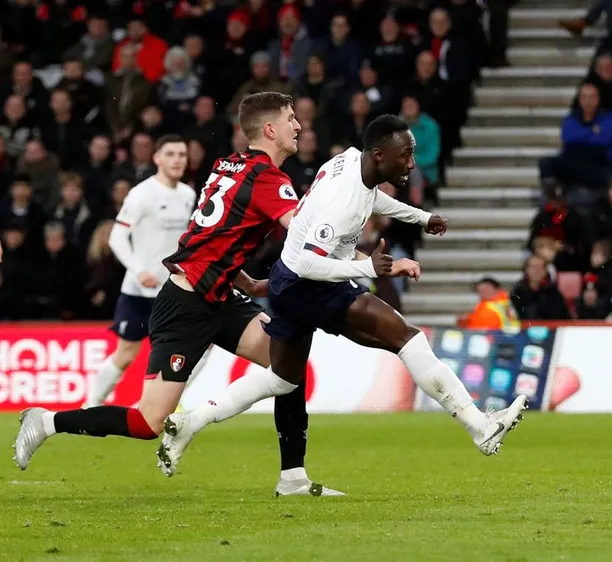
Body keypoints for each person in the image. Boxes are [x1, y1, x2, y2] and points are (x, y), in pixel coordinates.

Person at [156, 116, 529, 477]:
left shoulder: (352, 161)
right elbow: (308, 262)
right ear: (380, 155)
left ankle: (192, 422)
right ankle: (479, 426)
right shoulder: (342, 201)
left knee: (282, 380)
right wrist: (369, 269)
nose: (412, 164)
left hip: (290, 283)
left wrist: (420, 217)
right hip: (307, 283)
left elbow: (371, 200)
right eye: (406, 155)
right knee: (406, 337)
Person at [14, 92, 337, 497]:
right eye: (291, 119)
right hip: (184, 304)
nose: (299, 126)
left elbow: (215, 235)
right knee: (148, 423)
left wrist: (237, 275)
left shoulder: (228, 164)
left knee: (288, 362)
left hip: (219, 295)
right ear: (270, 129)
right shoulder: (267, 179)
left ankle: (293, 478)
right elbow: (307, 237)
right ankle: (46, 422)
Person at [83, 135, 205, 409]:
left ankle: (152, 406)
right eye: (171, 154)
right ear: (157, 158)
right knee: (125, 354)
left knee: (195, 348)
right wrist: (139, 271)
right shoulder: (141, 193)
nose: (177, 160)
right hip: (139, 290)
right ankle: (90, 406)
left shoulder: (188, 195)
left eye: (182, 155)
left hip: (174, 290)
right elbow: (116, 237)